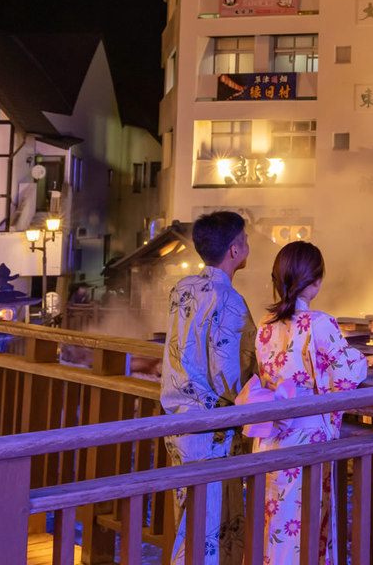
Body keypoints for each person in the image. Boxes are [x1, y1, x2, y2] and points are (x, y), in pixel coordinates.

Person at [241, 241, 367, 565]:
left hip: (270, 437)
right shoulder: (320, 324)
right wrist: (361, 359)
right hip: (307, 438)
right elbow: (346, 375)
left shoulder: (265, 327)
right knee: (307, 520)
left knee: (273, 521)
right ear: (316, 281)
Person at [161, 210, 257, 565]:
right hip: (211, 426)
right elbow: (230, 375)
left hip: (176, 420)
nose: (248, 245)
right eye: (245, 240)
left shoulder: (182, 288)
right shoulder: (230, 301)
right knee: (209, 525)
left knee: (190, 514)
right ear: (234, 250)